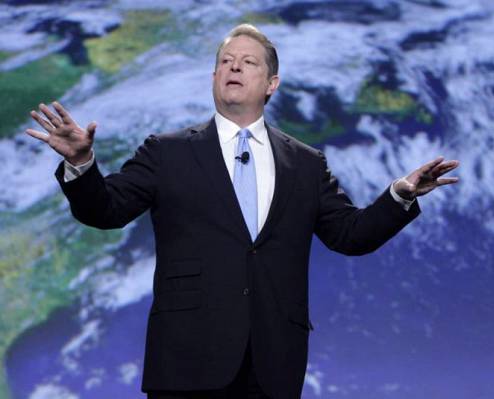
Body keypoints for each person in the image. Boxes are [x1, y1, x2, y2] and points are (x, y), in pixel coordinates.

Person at [25, 24, 459, 399]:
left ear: (271, 83)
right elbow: (106, 210)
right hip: (186, 363)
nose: (234, 67)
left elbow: (351, 234)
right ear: (214, 76)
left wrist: (400, 194)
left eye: (248, 62)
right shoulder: (168, 152)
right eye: (226, 61)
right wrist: (82, 164)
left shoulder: (306, 164)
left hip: (272, 367)